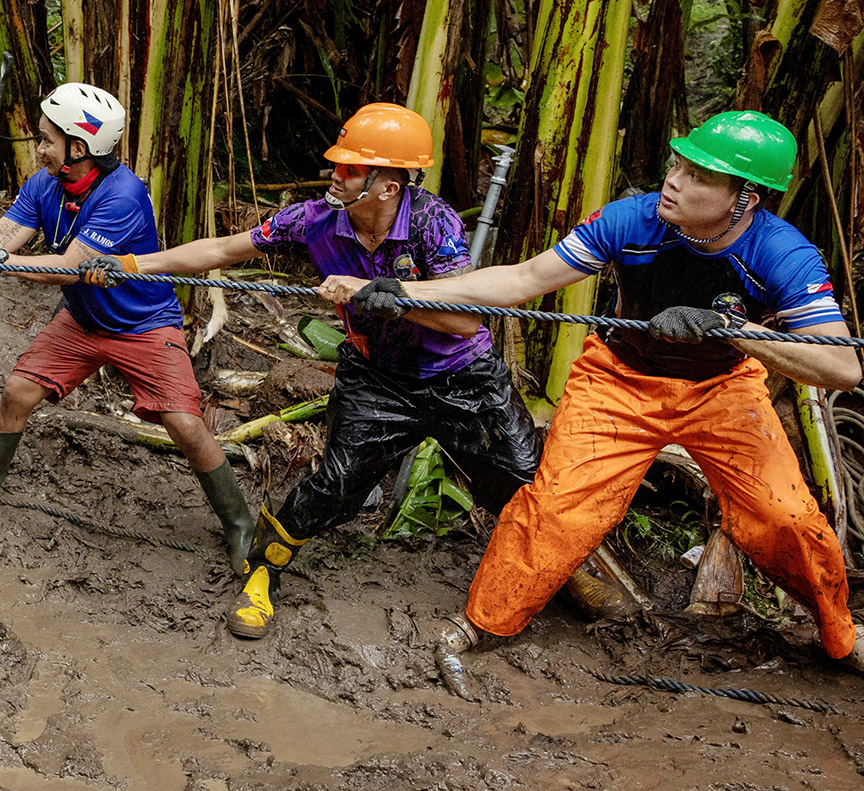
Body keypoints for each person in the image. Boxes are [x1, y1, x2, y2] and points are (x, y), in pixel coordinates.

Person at [335, 111, 864, 680]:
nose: (675, 181)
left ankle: (840, 635)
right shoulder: (631, 219)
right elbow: (522, 280)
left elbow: (841, 366)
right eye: (678, 165)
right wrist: (405, 291)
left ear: (746, 199)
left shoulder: (782, 253)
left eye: (700, 176)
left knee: (785, 517)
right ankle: (482, 622)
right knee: (560, 508)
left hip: (723, 390)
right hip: (617, 381)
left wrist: (733, 330)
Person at [78, 103, 541, 638]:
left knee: (524, 479)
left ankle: (571, 573)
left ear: (387, 185)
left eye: (349, 169)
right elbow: (222, 249)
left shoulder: (434, 224)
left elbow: (463, 323)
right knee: (335, 484)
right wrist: (133, 265)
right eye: (337, 164)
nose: (334, 175)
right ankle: (263, 572)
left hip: (462, 375)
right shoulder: (313, 219)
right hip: (378, 378)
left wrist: (380, 297)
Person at [0, 83, 254, 567]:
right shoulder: (43, 185)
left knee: (185, 424)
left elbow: (64, 267)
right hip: (82, 319)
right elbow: (0, 237)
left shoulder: (122, 194)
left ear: (79, 147)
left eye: (46, 139)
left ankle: (239, 522)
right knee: (17, 393)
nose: (38, 147)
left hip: (143, 324)